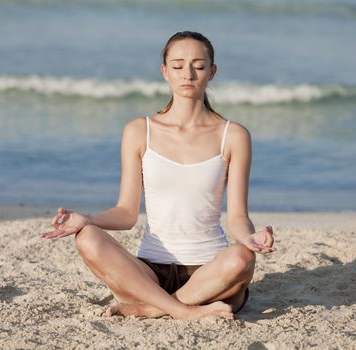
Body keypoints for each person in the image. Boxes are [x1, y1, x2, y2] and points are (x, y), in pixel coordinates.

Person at [41, 31, 275, 320]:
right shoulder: (140, 131)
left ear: (212, 72)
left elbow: (237, 217)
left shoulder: (234, 135)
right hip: (148, 274)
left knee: (242, 257)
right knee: (87, 238)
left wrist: (250, 237)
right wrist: (87, 219)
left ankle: (151, 309)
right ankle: (184, 311)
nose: (187, 74)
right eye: (177, 66)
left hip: (209, 274)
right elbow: (127, 213)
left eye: (198, 66)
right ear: (165, 71)